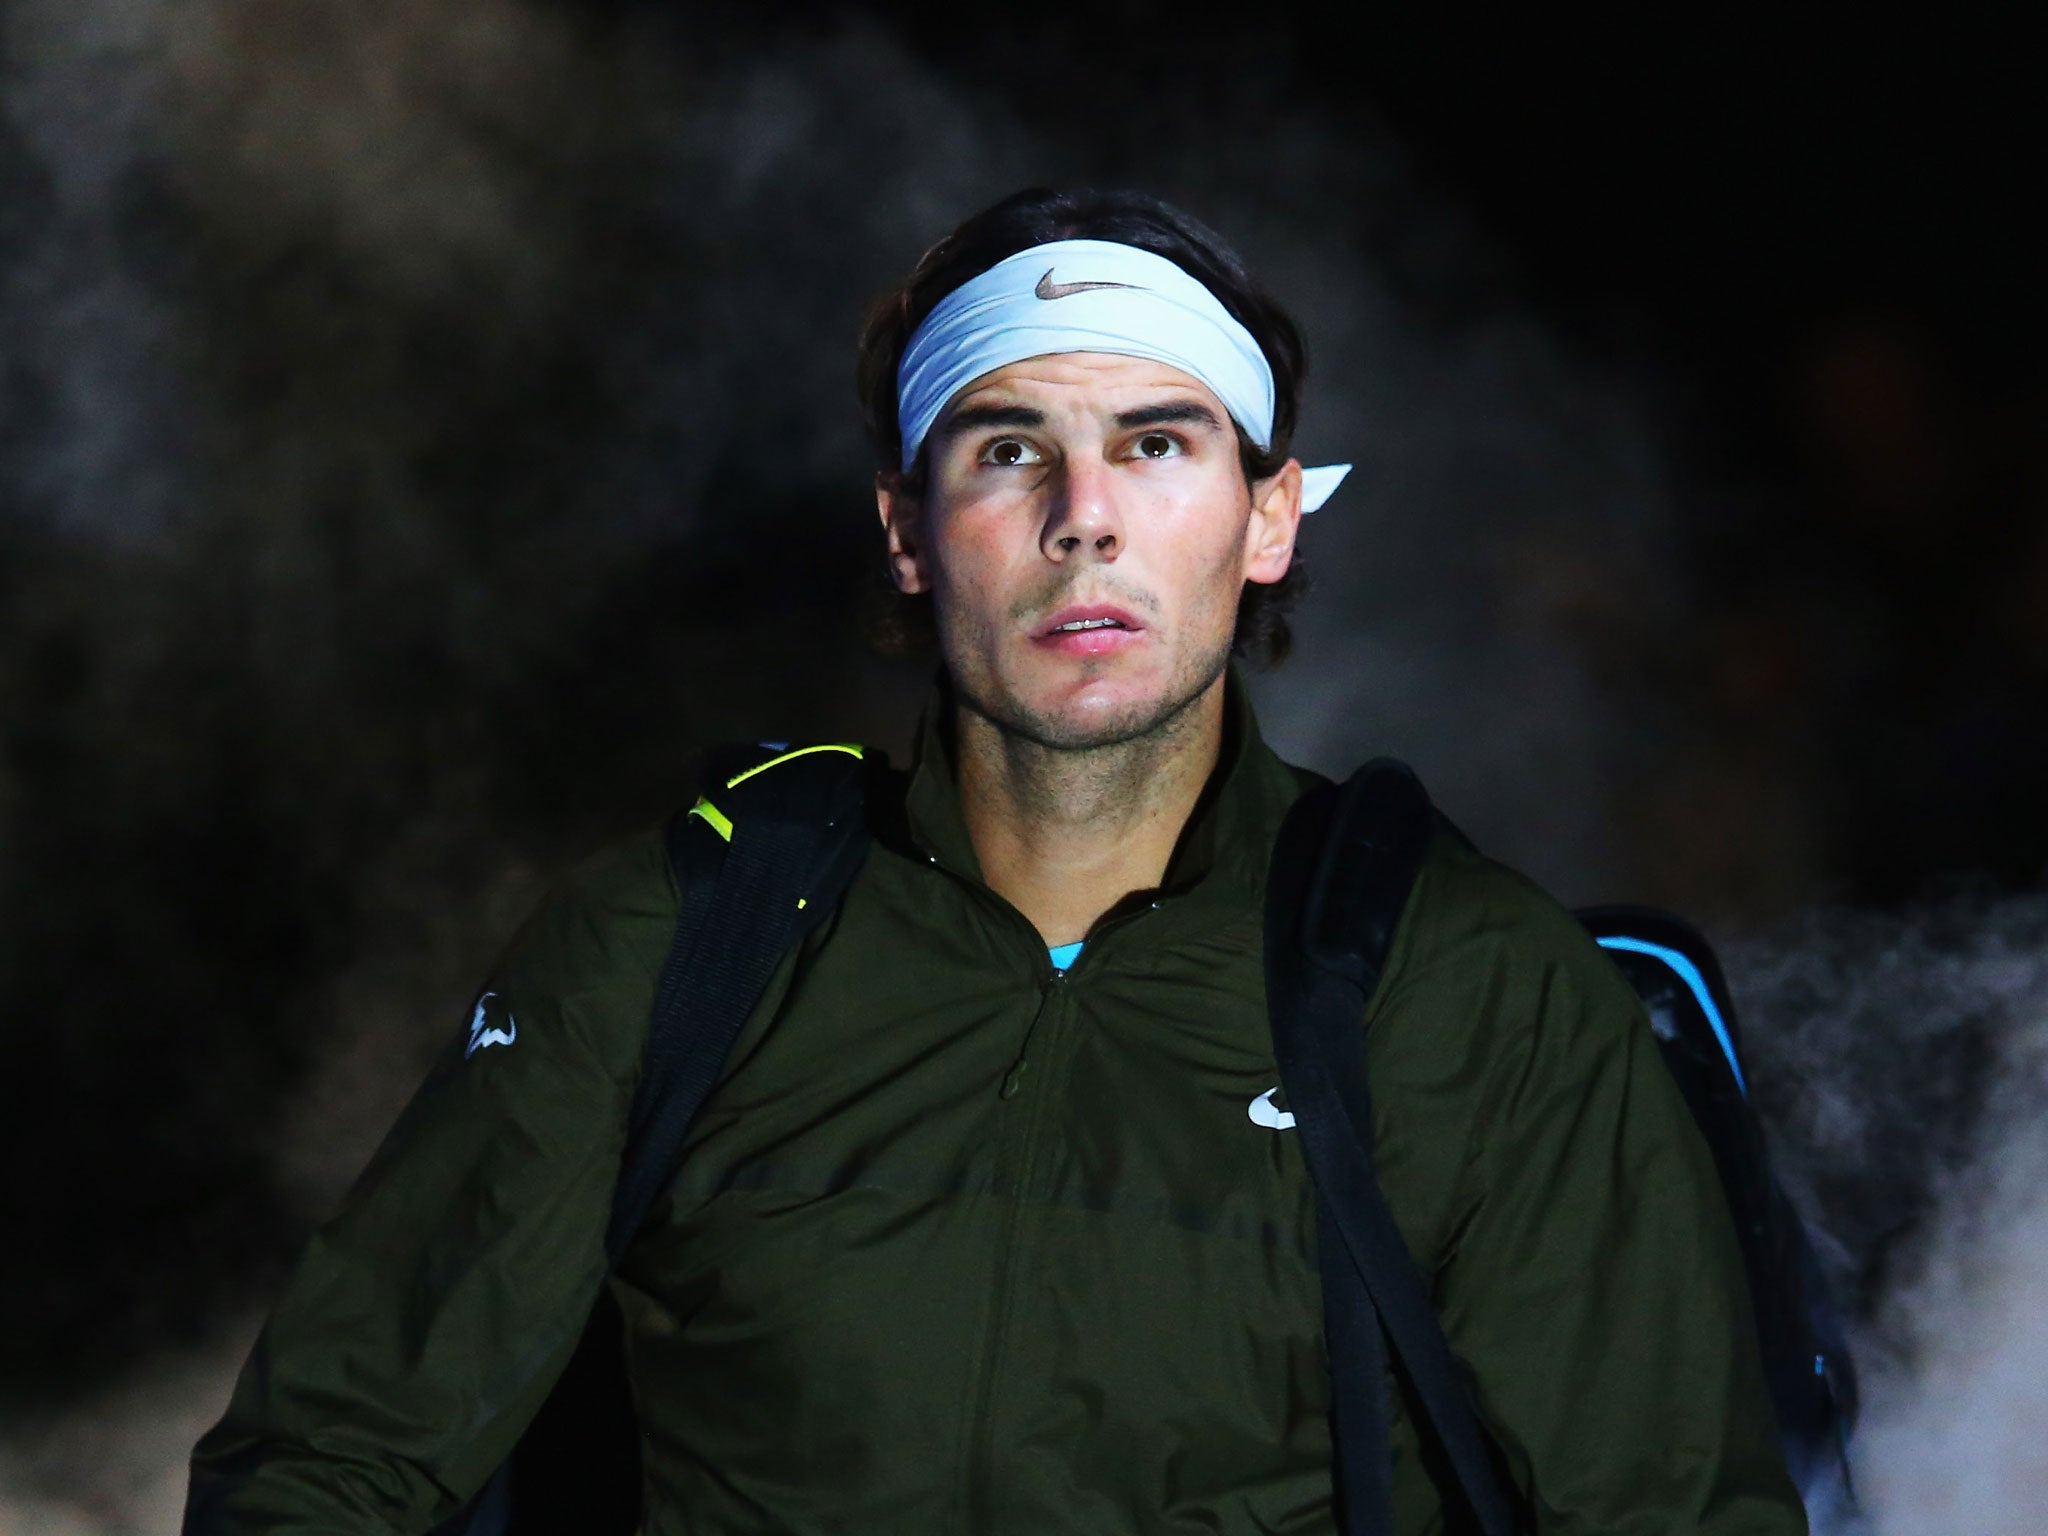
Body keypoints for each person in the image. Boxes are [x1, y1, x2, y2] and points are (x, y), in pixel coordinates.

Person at [186, 187, 1807, 1534]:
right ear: (908, 530)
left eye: (1159, 444)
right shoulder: (684, 940)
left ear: (1268, 521)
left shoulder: (1464, 986)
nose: (1084, 515)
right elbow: (327, 1467)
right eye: (1008, 448)